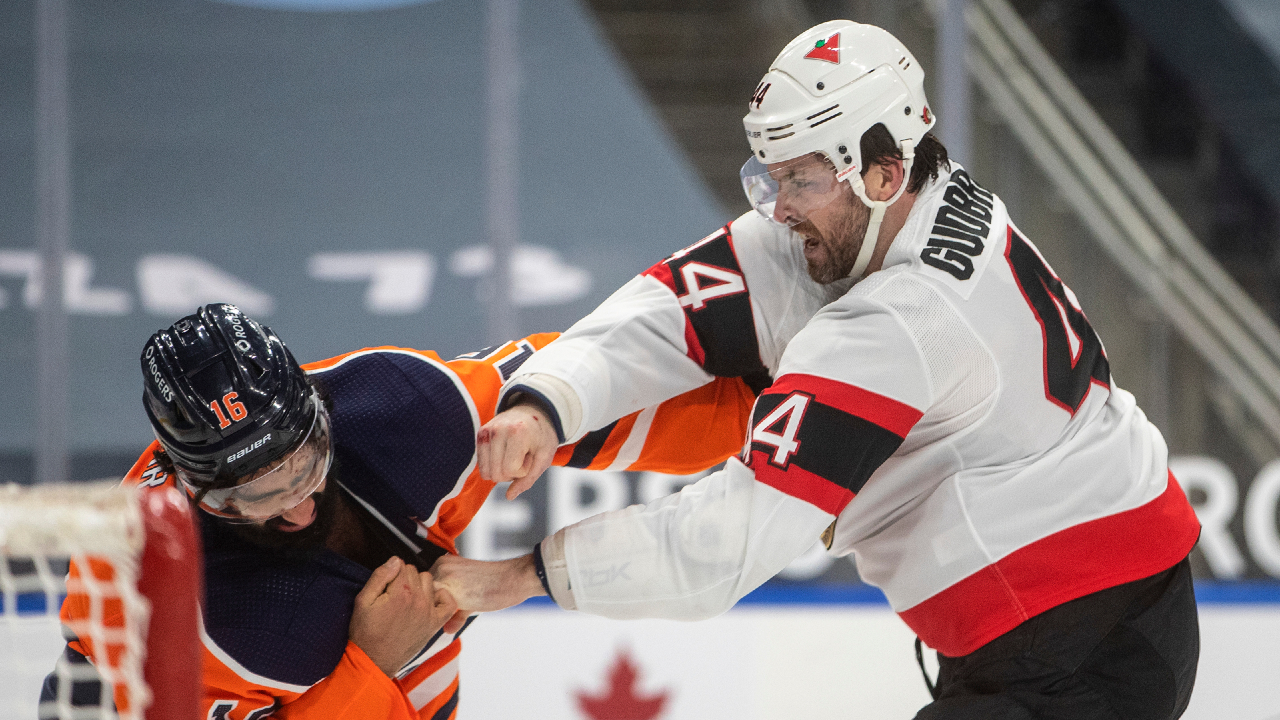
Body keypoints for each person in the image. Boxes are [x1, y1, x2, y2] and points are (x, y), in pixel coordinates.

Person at [435, 20, 1203, 720]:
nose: (778, 209)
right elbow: (676, 308)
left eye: (800, 180)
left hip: (1083, 648)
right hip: (1084, 612)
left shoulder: (901, 319)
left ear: (882, 174)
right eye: (770, 177)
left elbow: (729, 543)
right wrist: (547, 401)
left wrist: (518, 577)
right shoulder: (902, 203)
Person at [50, 303, 755, 720]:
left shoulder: (404, 408)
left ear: (320, 413)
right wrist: (368, 667)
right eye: (252, 496)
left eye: (301, 465)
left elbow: (592, 386)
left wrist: (773, 406)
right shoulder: (175, 610)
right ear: (196, 490)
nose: (296, 508)